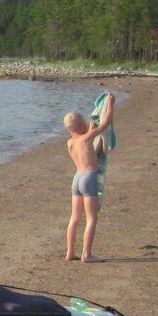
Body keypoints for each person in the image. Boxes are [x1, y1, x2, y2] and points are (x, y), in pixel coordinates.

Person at [63, 93, 115, 263]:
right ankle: (87, 254)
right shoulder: (86, 138)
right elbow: (105, 123)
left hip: (77, 178)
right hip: (89, 178)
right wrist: (110, 103)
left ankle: (70, 252)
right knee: (91, 218)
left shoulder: (70, 143)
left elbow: (86, 140)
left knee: (75, 217)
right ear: (81, 125)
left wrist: (90, 129)